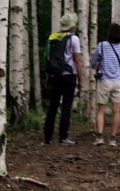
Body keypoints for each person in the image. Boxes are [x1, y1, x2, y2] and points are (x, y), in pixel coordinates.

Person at [43, 11, 82, 145]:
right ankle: (63, 137)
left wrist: (47, 77)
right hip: (68, 76)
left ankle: (47, 138)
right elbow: (77, 60)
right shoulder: (74, 39)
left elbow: (49, 59)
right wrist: (80, 80)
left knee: (52, 106)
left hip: (55, 76)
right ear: (71, 26)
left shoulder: (53, 37)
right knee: (66, 107)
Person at [90, 22, 120, 147]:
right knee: (116, 111)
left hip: (104, 81)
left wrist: (99, 66)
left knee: (101, 110)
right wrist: (119, 73)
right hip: (118, 82)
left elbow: (92, 62)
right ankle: (113, 139)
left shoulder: (101, 45)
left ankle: (100, 137)